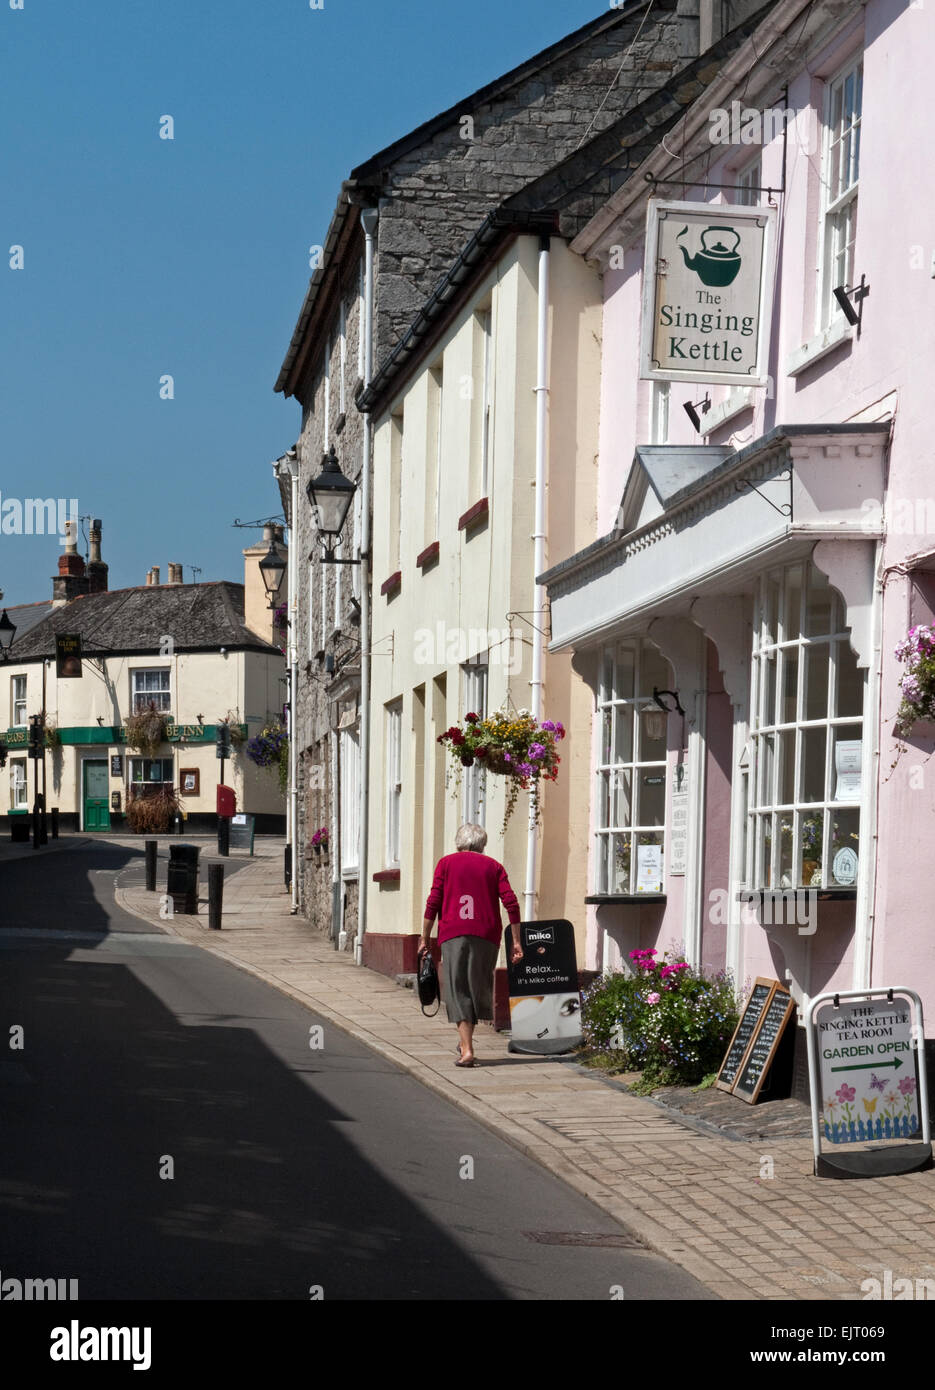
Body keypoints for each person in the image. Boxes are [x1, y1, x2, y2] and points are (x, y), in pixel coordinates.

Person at [419, 823, 523, 1067]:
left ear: (458, 843)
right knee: (475, 987)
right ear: (482, 845)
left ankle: (466, 1049)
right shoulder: (494, 867)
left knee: (458, 990)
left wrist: (425, 937)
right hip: (486, 934)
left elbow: (433, 901)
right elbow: (511, 903)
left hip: (454, 933)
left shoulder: (446, 864)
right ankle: (465, 1042)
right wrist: (516, 940)